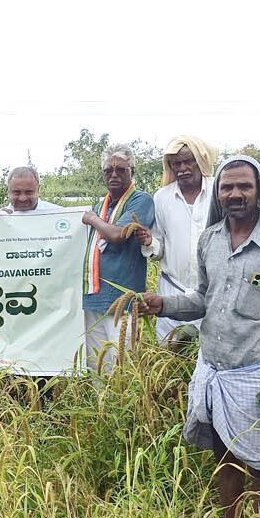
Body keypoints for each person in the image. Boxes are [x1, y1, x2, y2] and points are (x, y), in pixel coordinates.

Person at [139, 155, 260, 518]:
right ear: (218, 193)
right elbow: (203, 299)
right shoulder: (211, 240)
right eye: (227, 187)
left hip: (254, 380)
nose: (235, 194)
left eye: (244, 187)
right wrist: (164, 304)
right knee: (225, 462)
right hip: (213, 374)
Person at [135, 136, 217, 343]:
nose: (182, 168)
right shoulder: (162, 197)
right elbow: (159, 246)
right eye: (176, 163)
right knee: (170, 355)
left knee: (208, 357)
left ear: (200, 161)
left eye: (188, 161)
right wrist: (148, 242)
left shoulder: (218, 191)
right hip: (173, 290)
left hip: (212, 292)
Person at [81, 144, 154, 372]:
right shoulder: (99, 206)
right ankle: (101, 408)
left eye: (121, 170)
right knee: (97, 366)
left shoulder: (140, 201)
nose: (114, 175)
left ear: (132, 171)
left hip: (123, 299)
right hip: (94, 297)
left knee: (125, 367)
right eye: (108, 171)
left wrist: (92, 219)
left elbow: (117, 235)